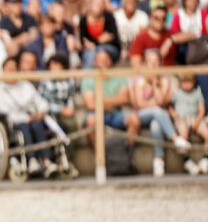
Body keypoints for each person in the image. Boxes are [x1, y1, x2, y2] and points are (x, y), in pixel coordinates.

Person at [0, 56, 58, 177]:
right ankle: (31, 160)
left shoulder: (26, 85)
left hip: (33, 118)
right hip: (15, 122)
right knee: (25, 126)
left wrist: (41, 112)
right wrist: (27, 118)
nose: (11, 72)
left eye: (14, 69)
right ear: (3, 71)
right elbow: (3, 111)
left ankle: (46, 160)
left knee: (38, 125)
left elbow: (40, 102)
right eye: (8, 69)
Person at [131, 49, 191, 177]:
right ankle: (176, 139)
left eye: (155, 61)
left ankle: (158, 160)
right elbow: (141, 104)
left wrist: (154, 84)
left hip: (159, 117)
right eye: (149, 61)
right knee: (157, 110)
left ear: (160, 62)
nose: (152, 64)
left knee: (156, 125)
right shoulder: (139, 78)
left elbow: (162, 101)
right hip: (141, 116)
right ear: (145, 63)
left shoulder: (164, 78)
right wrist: (156, 104)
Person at [82, 48, 141, 148]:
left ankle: (125, 155)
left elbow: (125, 98)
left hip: (115, 114)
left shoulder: (119, 77)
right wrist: (114, 100)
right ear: (94, 62)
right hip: (96, 114)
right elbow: (90, 104)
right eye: (100, 60)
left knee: (135, 119)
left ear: (110, 61)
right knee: (91, 120)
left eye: (105, 59)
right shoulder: (88, 80)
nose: (103, 62)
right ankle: (101, 160)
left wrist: (99, 101)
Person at [39, 54, 79, 175]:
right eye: (51, 65)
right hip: (49, 115)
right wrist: (60, 109)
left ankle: (69, 160)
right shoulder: (45, 82)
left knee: (72, 126)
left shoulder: (70, 81)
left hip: (66, 113)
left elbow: (70, 98)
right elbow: (42, 102)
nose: (53, 68)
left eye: (56, 65)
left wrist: (70, 109)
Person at [169, 74, 208, 174]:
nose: (186, 85)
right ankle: (187, 161)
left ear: (194, 81)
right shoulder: (176, 93)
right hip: (182, 119)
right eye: (184, 82)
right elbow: (169, 106)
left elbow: (202, 110)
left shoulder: (197, 93)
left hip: (195, 118)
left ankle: (205, 159)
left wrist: (198, 120)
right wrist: (173, 114)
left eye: (189, 82)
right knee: (183, 137)